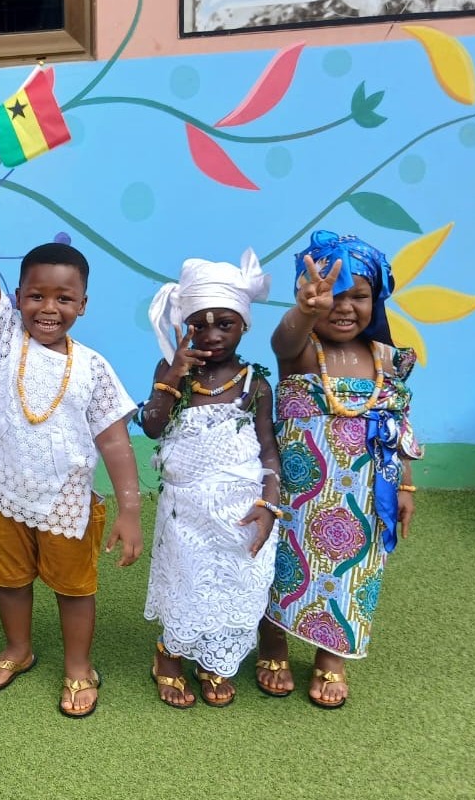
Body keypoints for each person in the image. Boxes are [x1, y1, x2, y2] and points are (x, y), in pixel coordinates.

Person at [0, 145, 144, 719]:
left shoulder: (94, 368)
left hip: (66, 500)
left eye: (63, 297)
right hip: (3, 489)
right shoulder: (1, 338)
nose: (48, 307)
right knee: (9, 579)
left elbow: (114, 442)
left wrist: (129, 510)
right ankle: (18, 648)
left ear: (83, 304)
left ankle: (79, 666)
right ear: (17, 299)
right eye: (36, 295)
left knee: (74, 585)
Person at [256, 231, 422, 708]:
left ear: (378, 298)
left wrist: (406, 483)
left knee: (356, 570)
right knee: (283, 563)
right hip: (299, 491)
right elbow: (281, 338)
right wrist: (306, 309)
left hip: (368, 491)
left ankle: (332, 655)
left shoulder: (388, 360)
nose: (343, 306)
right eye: (331, 295)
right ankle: (274, 640)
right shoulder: (303, 351)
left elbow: (398, 422)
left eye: (358, 295)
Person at [140, 251, 281, 708]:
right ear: (186, 325)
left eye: (227, 324)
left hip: (240, 508)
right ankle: (170, 657)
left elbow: (268, 448)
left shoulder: (255, 383)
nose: (213, 335)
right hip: (186, 509)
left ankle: (213, 661)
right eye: (200, 324)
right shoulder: (171, 370)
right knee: (187, 579)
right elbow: (153, 425)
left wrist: (269, 504)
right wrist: (176, 374)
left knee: (234, 581)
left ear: (245, 326)